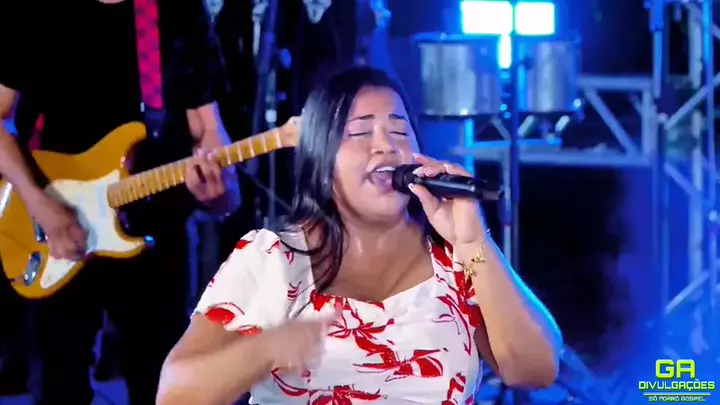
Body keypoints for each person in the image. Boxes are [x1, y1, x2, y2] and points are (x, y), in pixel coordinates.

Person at [157, 66, 562, 404]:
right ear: (321, 157)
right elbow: (174, 395)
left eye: (399, 132)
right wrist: (263, 350)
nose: (385, 146)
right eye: (359, 133)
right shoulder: (271, 260)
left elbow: (536, 370)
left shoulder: (459, 262)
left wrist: (474, 243)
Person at [0, 0, 241, 404]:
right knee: (60, 385)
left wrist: (222, 192)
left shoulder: (179, 12)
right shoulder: (36, 11)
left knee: (161, 386)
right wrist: (42, 205)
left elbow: (208, 130)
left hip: (154, 230)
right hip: (57, 229)